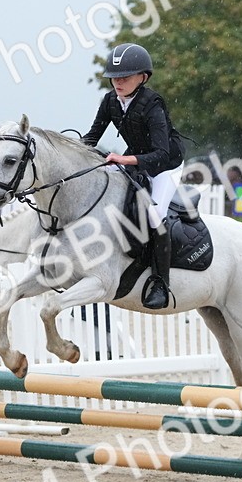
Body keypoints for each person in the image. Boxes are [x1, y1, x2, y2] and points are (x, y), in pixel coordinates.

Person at [81, 42, 185, 309]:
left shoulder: (153, 105)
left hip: (166, 165)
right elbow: (92, 137)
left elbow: (160, 153)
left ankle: (161, 283)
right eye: (115, 77)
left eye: (125, 77)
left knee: (155, 215)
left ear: (143, 77)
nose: (118, 82)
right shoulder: (110, 101)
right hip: (134, 159)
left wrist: (124, 160)